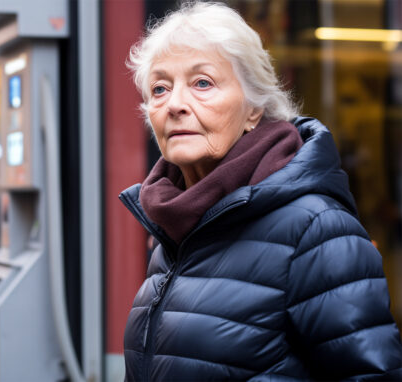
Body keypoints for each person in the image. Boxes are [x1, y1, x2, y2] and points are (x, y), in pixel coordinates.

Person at [120, 2, 402, 380]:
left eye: (202, 83)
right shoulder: (174, 227)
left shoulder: (316, 229)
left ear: (254, 108)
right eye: (159, 88)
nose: (175, 105)